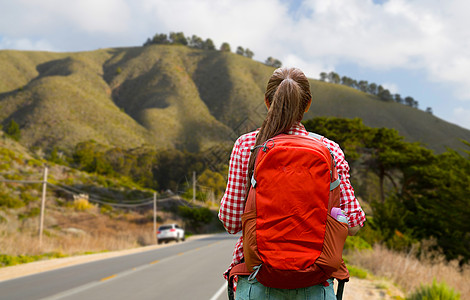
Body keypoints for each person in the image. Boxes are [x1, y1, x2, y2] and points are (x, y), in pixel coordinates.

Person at [218, 67, 366, 299]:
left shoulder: (247, 145)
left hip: (257, 278)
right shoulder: (329, 149)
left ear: (268, 102)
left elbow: (231, 221)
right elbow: (355, 223)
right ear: (307, 105)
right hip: (314, 281)